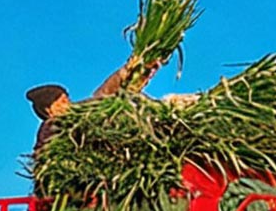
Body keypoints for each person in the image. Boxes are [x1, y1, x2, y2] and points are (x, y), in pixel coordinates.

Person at [26, 52, 169, 155]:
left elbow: (101, 97)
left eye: (67, 99)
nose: (69, 104)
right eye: (62, 102)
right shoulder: (52, 127)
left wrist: (126, 72)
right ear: (49, 110)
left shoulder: (78, 115)